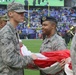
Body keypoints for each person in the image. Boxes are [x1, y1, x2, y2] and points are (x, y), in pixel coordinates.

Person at [0, 2, 37, 75]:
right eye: (19, 13)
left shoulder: (12, 30)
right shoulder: (6, 32)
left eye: (23, 13)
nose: (22, 15)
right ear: (10, 14)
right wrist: (30, 58)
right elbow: (10, 59)